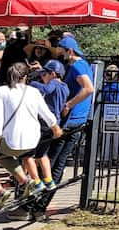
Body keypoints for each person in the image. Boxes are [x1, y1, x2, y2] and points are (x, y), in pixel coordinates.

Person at [0, 62, 62, 211]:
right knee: (5, 156)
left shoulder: (1, 91)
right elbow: (47, 115)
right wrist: (56, 130)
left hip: (11, 142)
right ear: (26, 76)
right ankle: (24, 181)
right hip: (32, 142)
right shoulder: (34, 92)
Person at [38, 35, 95, 207]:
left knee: (51, 161)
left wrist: (68, 104)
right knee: (58, 162)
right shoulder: (83, 64)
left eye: (61, 52)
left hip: (70, 120)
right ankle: (41, 204)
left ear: (70, 51)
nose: (59, 56)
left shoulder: (77, 65)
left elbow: (88, 88)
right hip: (77, 120)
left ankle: (37, 203)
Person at [27, 60, 69, 207]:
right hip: (55, 122)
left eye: (44, 74)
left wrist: (31, 84)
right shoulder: (65, 87)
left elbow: (46, 90)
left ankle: (34, 181)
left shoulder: (54, 83)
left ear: (53, 74)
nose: (42, 77)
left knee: (30, 153)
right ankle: (48, 180)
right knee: (41, 154)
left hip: (46, 122)